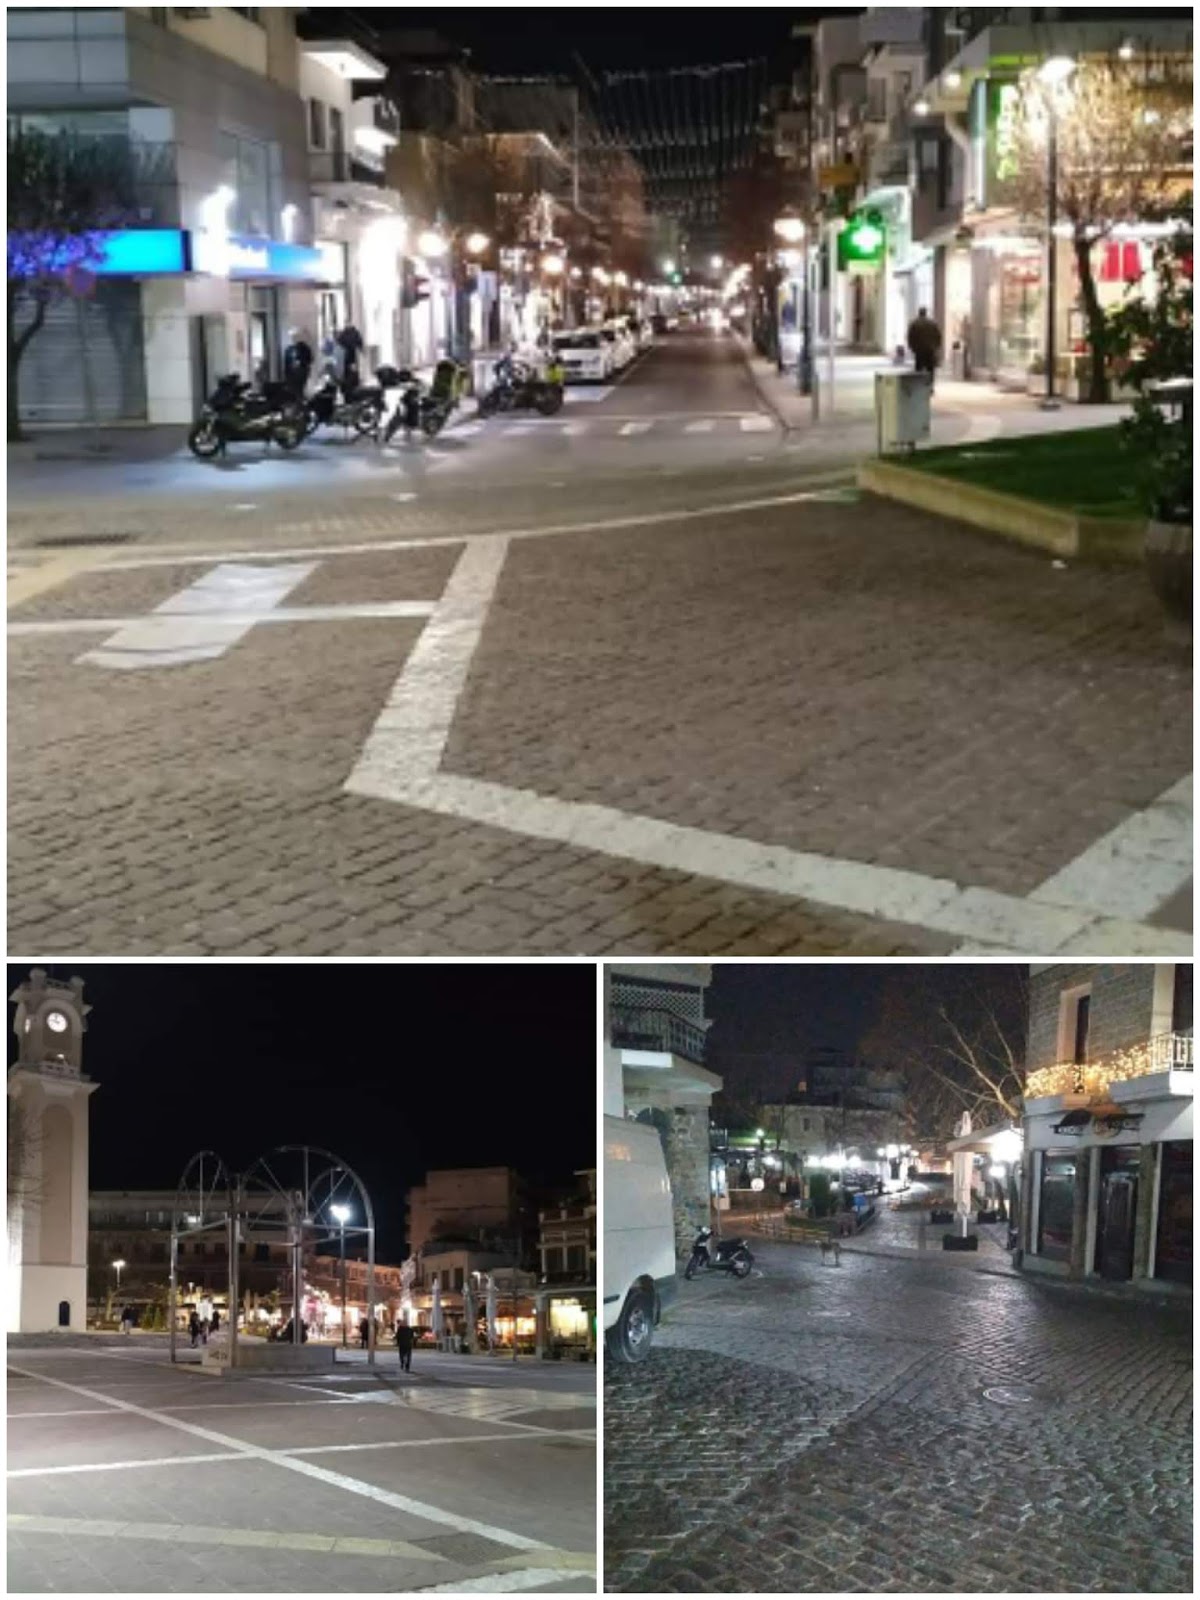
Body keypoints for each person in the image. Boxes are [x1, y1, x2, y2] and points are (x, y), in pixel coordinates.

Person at [907, 306, 942, 387]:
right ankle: (930, 385)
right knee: (930, 369)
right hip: (930, 350)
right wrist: (936, 347)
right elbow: (938, 336)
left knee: (919, 368)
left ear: (919, 313)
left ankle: (919, 386)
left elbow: (910, 337)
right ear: (926, 313)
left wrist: (912, 348)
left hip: (919, 350)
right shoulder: (932, 323)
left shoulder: (914, 324)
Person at [282, 327, 313, 398]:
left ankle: (298, 400)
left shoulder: (291, 350)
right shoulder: (291, 350)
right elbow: (310, 360)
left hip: (297, 373)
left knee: (297, 390)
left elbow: (309, 360)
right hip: (299, 372)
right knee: (298, 390)